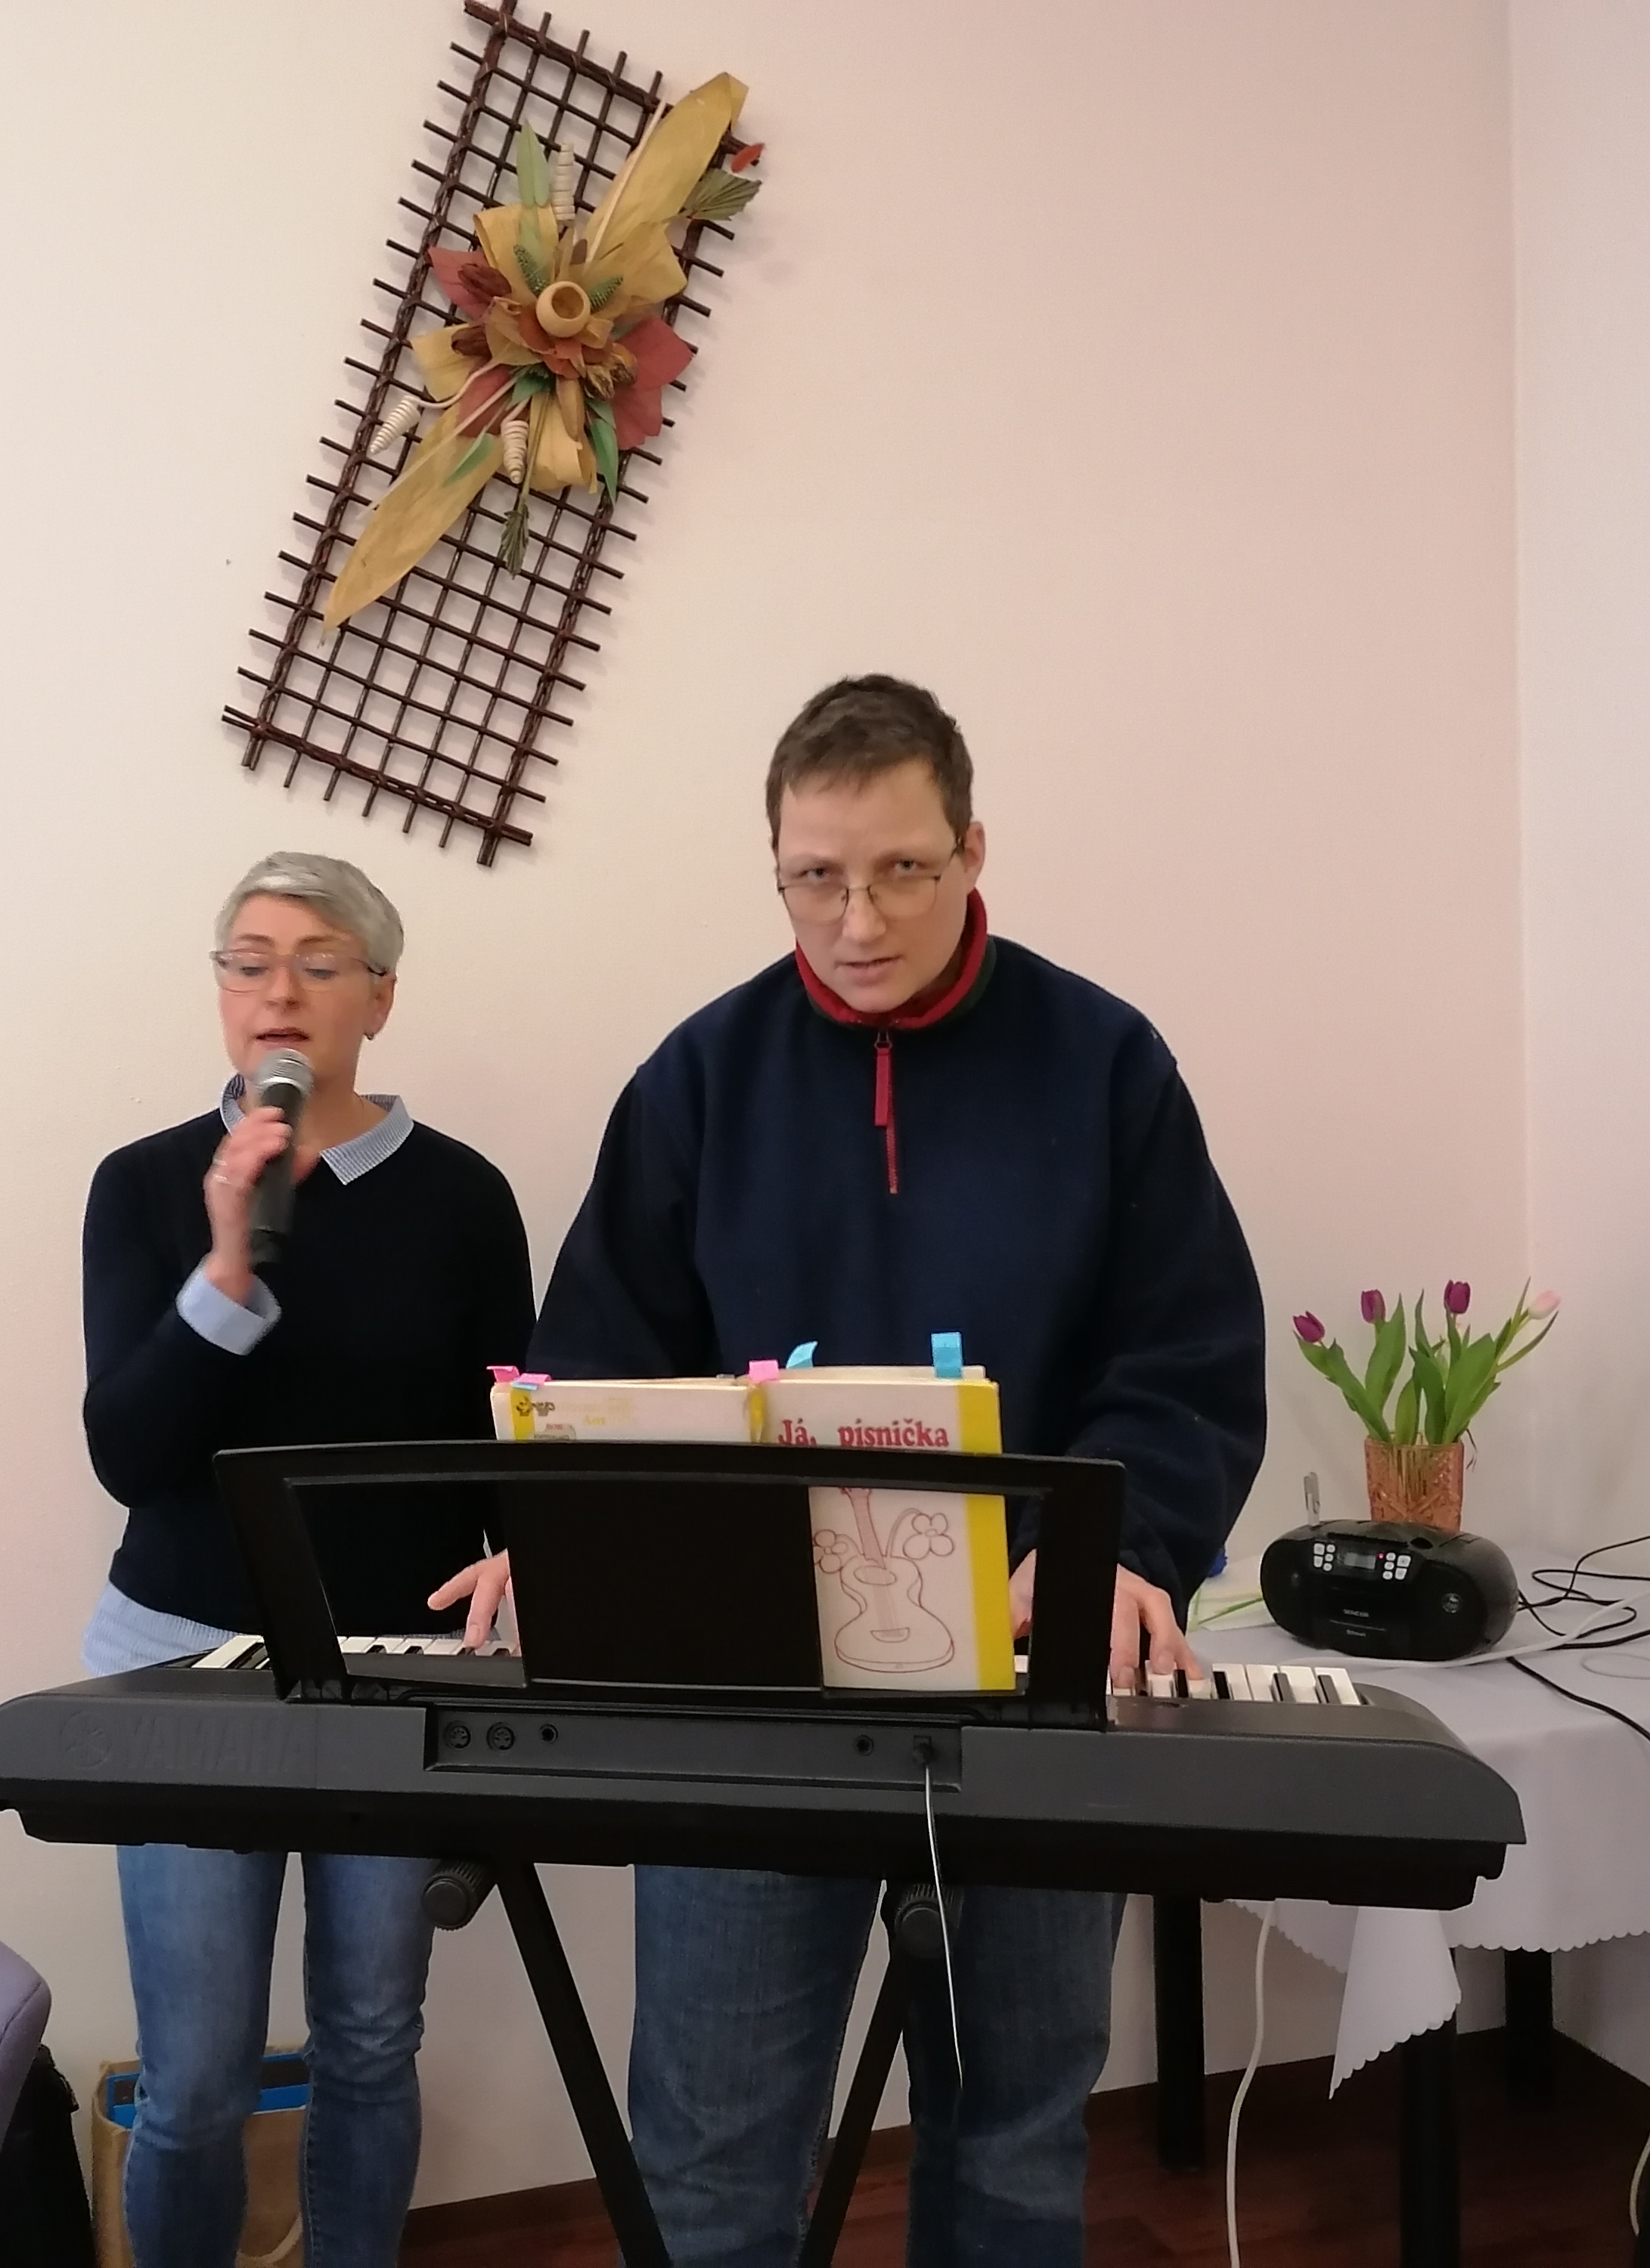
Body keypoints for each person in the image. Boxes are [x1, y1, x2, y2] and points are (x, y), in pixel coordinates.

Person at [435, 677, 1266, 2267]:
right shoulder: (699, 1079)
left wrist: (1128, 1548)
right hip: (745, 1702)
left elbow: (1184, 1355)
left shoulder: (1104, 1063)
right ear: (774, 866)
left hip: (1029, 1679)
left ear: (972, 849)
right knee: (708, 2164)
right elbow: (599, 1364)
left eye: (900, 870)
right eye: (813, 878)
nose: (857, 920)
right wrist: (568, 1540)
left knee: (1015, 2148)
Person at [79, 850, 533, 2268]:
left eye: (319, 964)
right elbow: (128, 1455)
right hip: (182, 1665)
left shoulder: (464, 1198)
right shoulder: (144, 1185)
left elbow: (507, 1442)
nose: (279, 991)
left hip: (393, 1674)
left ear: (378, 999)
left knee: (370, 2041)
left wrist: (530, 1555)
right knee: (198, 2075)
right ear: (220, 993)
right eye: (249, 963)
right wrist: (227, 1270)